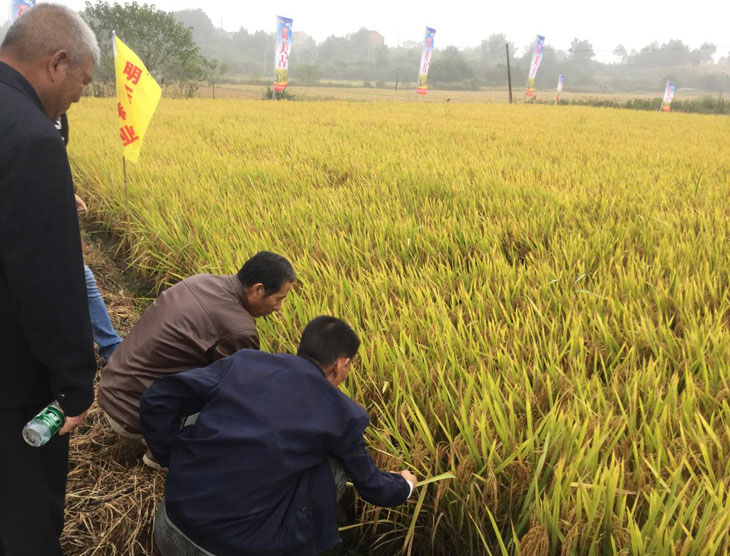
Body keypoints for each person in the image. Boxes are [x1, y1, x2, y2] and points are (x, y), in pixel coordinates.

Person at [141, 316, 418, 556]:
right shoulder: (343, 414)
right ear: (340, 364)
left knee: (202, 409)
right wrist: (404, 485)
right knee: (333, 465)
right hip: (232, 549)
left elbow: (157, 400)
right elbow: (372, 485)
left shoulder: (245, 361)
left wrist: (172, 458)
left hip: (171, 526)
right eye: (349, 366)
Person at [0, 5, 99, 555]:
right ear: (58, 63)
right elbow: (47, 282)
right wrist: (74, 383)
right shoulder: (33, 139)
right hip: (12, 379)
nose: (81, 95)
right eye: (83, 80)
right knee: (24, 521)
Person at [98, 251, 295, 450]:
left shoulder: (201, 280)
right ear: (258, 289)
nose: (279, 308)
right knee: (233, 405)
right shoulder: (240, 330)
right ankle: (163, 453)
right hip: (134, 414)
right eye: (279, 299)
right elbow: (237, 392)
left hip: (111, 388)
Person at [58, 112, 123, 364]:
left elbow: (50, 163)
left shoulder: (53, 116)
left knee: (81, 274)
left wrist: (66, 191)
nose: (76, 98)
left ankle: (111, 346)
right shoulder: (20, 114)